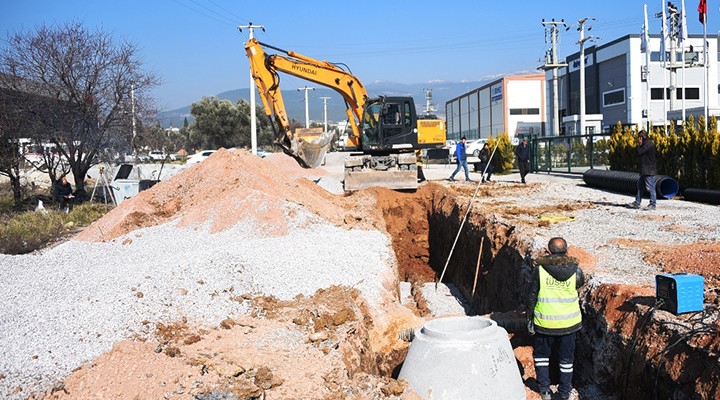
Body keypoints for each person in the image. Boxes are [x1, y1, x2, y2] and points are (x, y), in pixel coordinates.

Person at [527, 237, 584, 400]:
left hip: (544, 322)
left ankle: (544, 390)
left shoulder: (540, 269)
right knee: (566, 359)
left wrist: (529, 318)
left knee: (542, 357)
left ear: (549, 251)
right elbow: (579, 284)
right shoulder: (576, 270)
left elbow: (531, 295)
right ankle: (565, 392)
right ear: (566, 250)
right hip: (569, 323)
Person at [629, 129, 657, 210]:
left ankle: (653, 204)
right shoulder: (647, 143)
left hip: (648, 169)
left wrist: (639, 144)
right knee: (640, 186)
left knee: (651, 187)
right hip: (645, 169)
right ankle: (637, 202)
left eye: (639, 137)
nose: (638, 139)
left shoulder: (647, 144)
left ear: (642, 137)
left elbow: (639, 152)